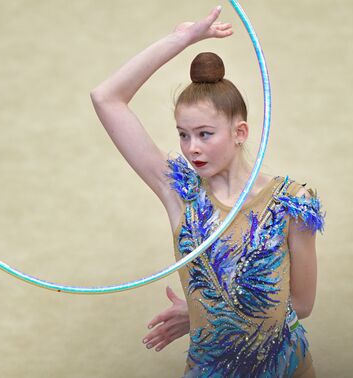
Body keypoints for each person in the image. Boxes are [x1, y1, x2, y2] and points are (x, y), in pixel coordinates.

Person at [90, 5, 324, 378]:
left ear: (239, 132)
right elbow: (106, 98)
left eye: (204, 134)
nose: (191, 147)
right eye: (183, 134)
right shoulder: (179, 192)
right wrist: (180, 40)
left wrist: (211, 308)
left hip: (285, 369)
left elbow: (301, 303)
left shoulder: (291, 203)